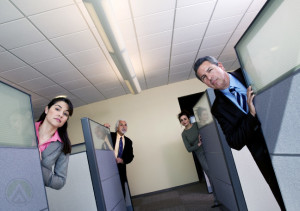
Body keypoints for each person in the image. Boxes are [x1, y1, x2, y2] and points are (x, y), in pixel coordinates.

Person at [193, 56, 285, 210]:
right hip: (266, 159)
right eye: (204, 77)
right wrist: (251, 115)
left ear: (220, 66)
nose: (210, 78)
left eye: (210, 70)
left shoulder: (247, 73)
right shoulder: (218, 108)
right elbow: (234, 141)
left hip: (287, 137)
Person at [178, 110, 220, 208]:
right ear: (180, 122)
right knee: (210, 174)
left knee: (219, 170)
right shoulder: (184, 134)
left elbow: (208, 132)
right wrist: (198, 145)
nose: (184, 121)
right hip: (200, 154)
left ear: (188, 119)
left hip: (210, 149)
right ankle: (217, 199)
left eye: (185, 119)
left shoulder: (197, 124)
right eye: (181, 120)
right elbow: (189, 149)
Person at [35, 96, 73, 190]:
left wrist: (37, 166)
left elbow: (60, 182)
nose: (60, 115)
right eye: (57, 109)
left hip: (29, 190)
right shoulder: (26, 128)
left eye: (65, 114)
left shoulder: (63, 146)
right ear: (47, 109)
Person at [104, 120, 134, 197]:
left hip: (121, 168)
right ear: (117, 128)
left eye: (125, 125)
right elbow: (98, 136)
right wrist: (103, 128)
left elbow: (131, 156)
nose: (124, 126)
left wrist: (122, 160)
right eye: (121, 125)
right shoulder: (110, 135)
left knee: (121, 191)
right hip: (108, 167)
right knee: (109, 189)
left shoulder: (129, 141)